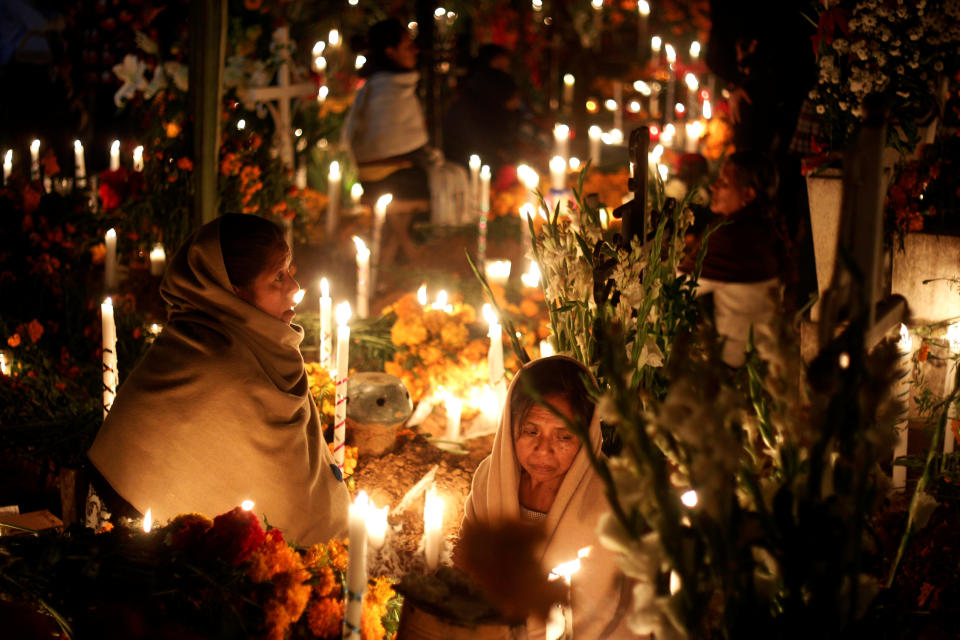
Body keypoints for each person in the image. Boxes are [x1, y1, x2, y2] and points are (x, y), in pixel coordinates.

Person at [88, 214, 350, 544]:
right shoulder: (221, 367)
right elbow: (295, 512)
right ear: (233, 292)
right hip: (146, 558)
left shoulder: (243, 346)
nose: (295, 289)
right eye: (277, 278)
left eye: (290, 273)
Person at [461, 356, 632, 639]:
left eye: (563, 436)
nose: (543, 451)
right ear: (510, 426)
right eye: (531, 431)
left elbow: (612, 610)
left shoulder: (611, 499)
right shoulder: (489, 478)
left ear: (587, 433)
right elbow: (468, 566)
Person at [679, 151, 783, 367]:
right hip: (766, 356)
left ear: (748, 195)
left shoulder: (731, 235)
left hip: (737, 364)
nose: (713, 187)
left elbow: (678, 286)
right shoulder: (765, 224)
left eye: (723, 182)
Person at [442, 43, 522, 170]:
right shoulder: (471, 103)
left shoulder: (496, 99)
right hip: (469, 167)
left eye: (506, 68)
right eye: (499, 68)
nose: (504, 73)